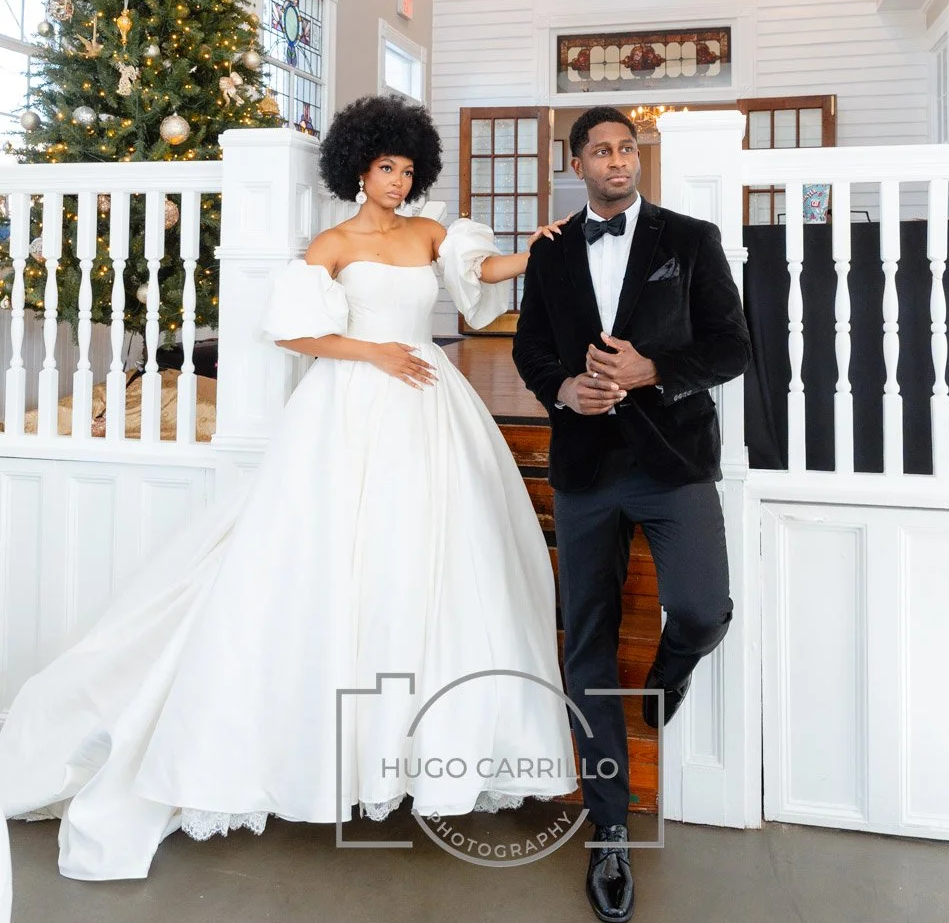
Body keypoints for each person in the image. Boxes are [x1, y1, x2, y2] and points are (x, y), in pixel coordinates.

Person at [0, 96, 576, 881]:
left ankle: (423, 750)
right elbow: (293, 331)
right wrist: (372, 353)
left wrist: (533, 251)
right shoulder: (332, 244)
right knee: (333, 556)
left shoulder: (431, 233)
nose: (397, 180)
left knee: (436, 556)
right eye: (385, 166)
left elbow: (481, 275)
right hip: (353, 403)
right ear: (358, 169)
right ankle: (325, 754)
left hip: (429, 404)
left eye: (407, 168)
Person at [512, 106, 752, 923]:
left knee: (702, 609)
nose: (618, 161)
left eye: (627, 148)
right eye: (601, 151)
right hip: (585, 469)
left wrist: (655, 370)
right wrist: (561, 389)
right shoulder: (550, 252)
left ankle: (670, 672)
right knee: (587, 641)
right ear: (576, 164)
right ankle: (609, 828)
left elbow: (734, 346)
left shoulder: (690, 239)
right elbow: (531, 349)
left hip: (673, 461)